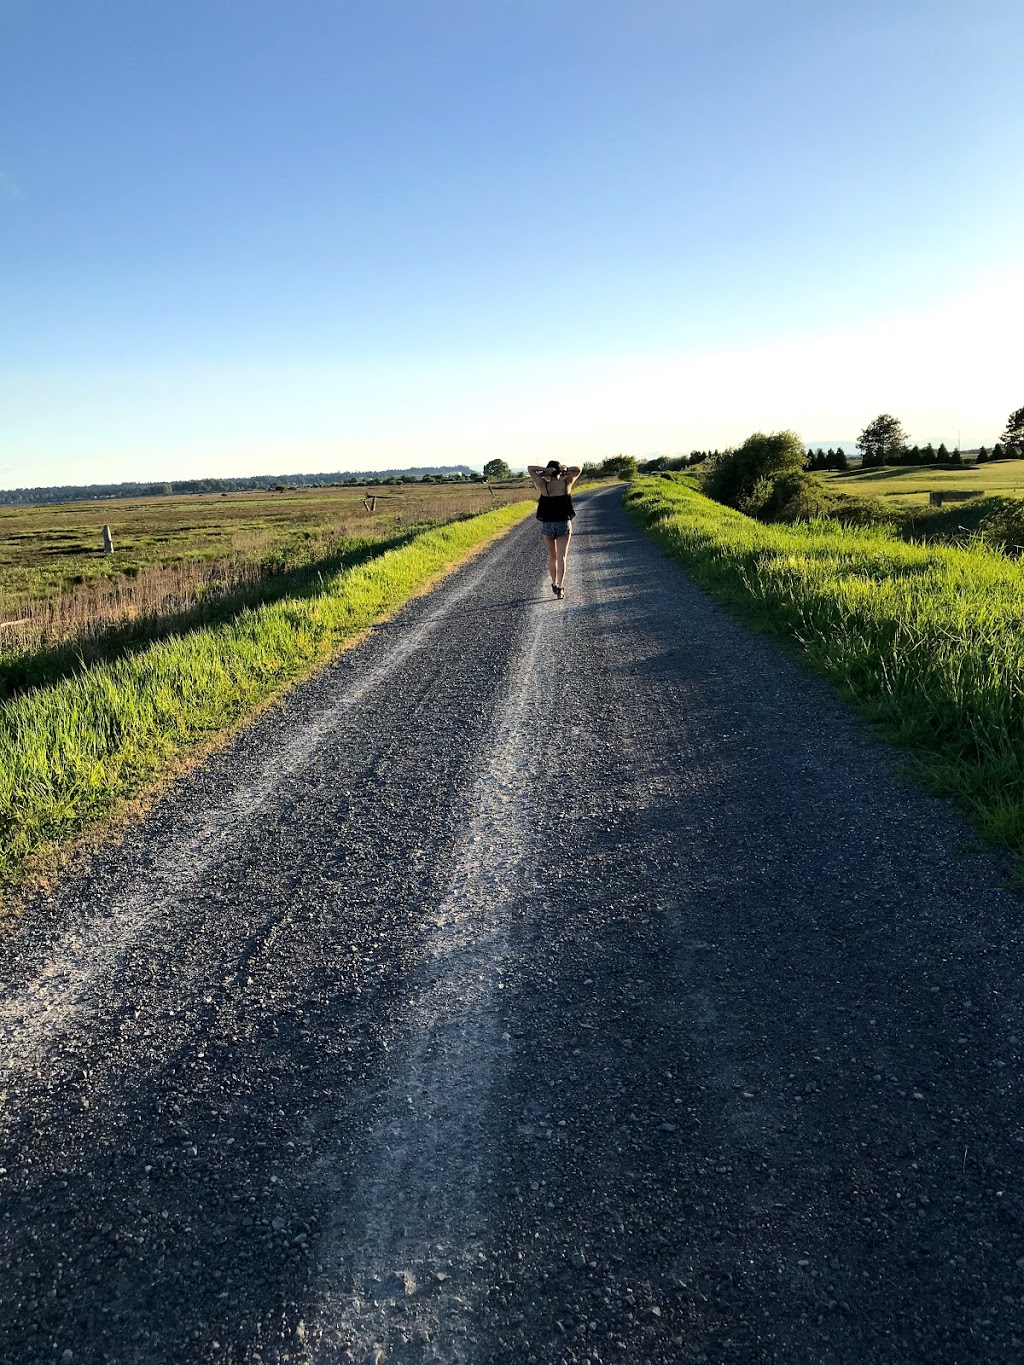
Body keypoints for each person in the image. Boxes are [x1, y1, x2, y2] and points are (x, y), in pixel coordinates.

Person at [527, 460, 583, 598]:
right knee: (562, 557)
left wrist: (544, 471)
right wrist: (566, 469)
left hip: (548, 525)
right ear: (560, 471)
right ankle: (561, 586)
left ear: (549, 471)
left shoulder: (543, 485)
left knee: (552, 557)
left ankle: (554, 583)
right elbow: (579, 468)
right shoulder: (566, 484)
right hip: (564, 523)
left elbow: (530, 468)